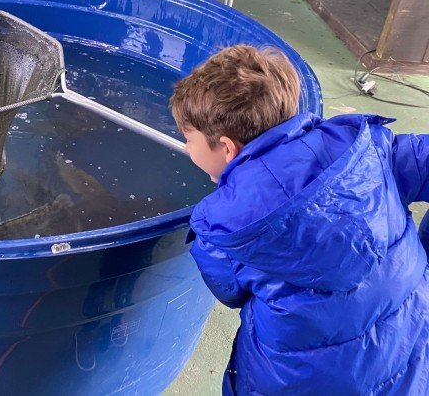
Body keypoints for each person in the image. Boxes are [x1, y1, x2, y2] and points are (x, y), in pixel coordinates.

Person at [168, 44, 429, 394]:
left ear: (227, 148)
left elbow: (230, 291)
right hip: (404, 356)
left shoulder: (224, 229)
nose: (186, 148)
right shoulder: (368, 149)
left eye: (189, 139)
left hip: (294, 382)